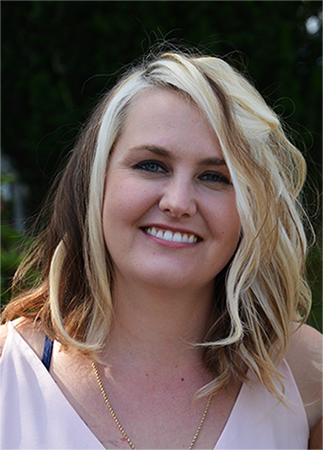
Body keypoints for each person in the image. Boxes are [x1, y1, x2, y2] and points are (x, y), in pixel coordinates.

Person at [0, 48, 322, 450]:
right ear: (96, 183)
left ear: (250, 207)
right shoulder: (8, 371)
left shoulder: (305, 372)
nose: (178, 202)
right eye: (152, 165)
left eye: (215, 176)